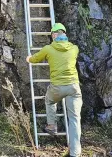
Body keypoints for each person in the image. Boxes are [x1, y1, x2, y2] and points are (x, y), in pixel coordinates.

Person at [26, 23, 82, 157]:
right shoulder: (74, 48)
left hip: (57, 87)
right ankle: (75, 153)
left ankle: (51, 125)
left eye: (52, 35)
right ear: (65, 34)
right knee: (74, 119)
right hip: (74, 88)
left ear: (54, 35)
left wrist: (28, 58)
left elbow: (35, 59)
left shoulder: (48, 49)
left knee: (49, 101)